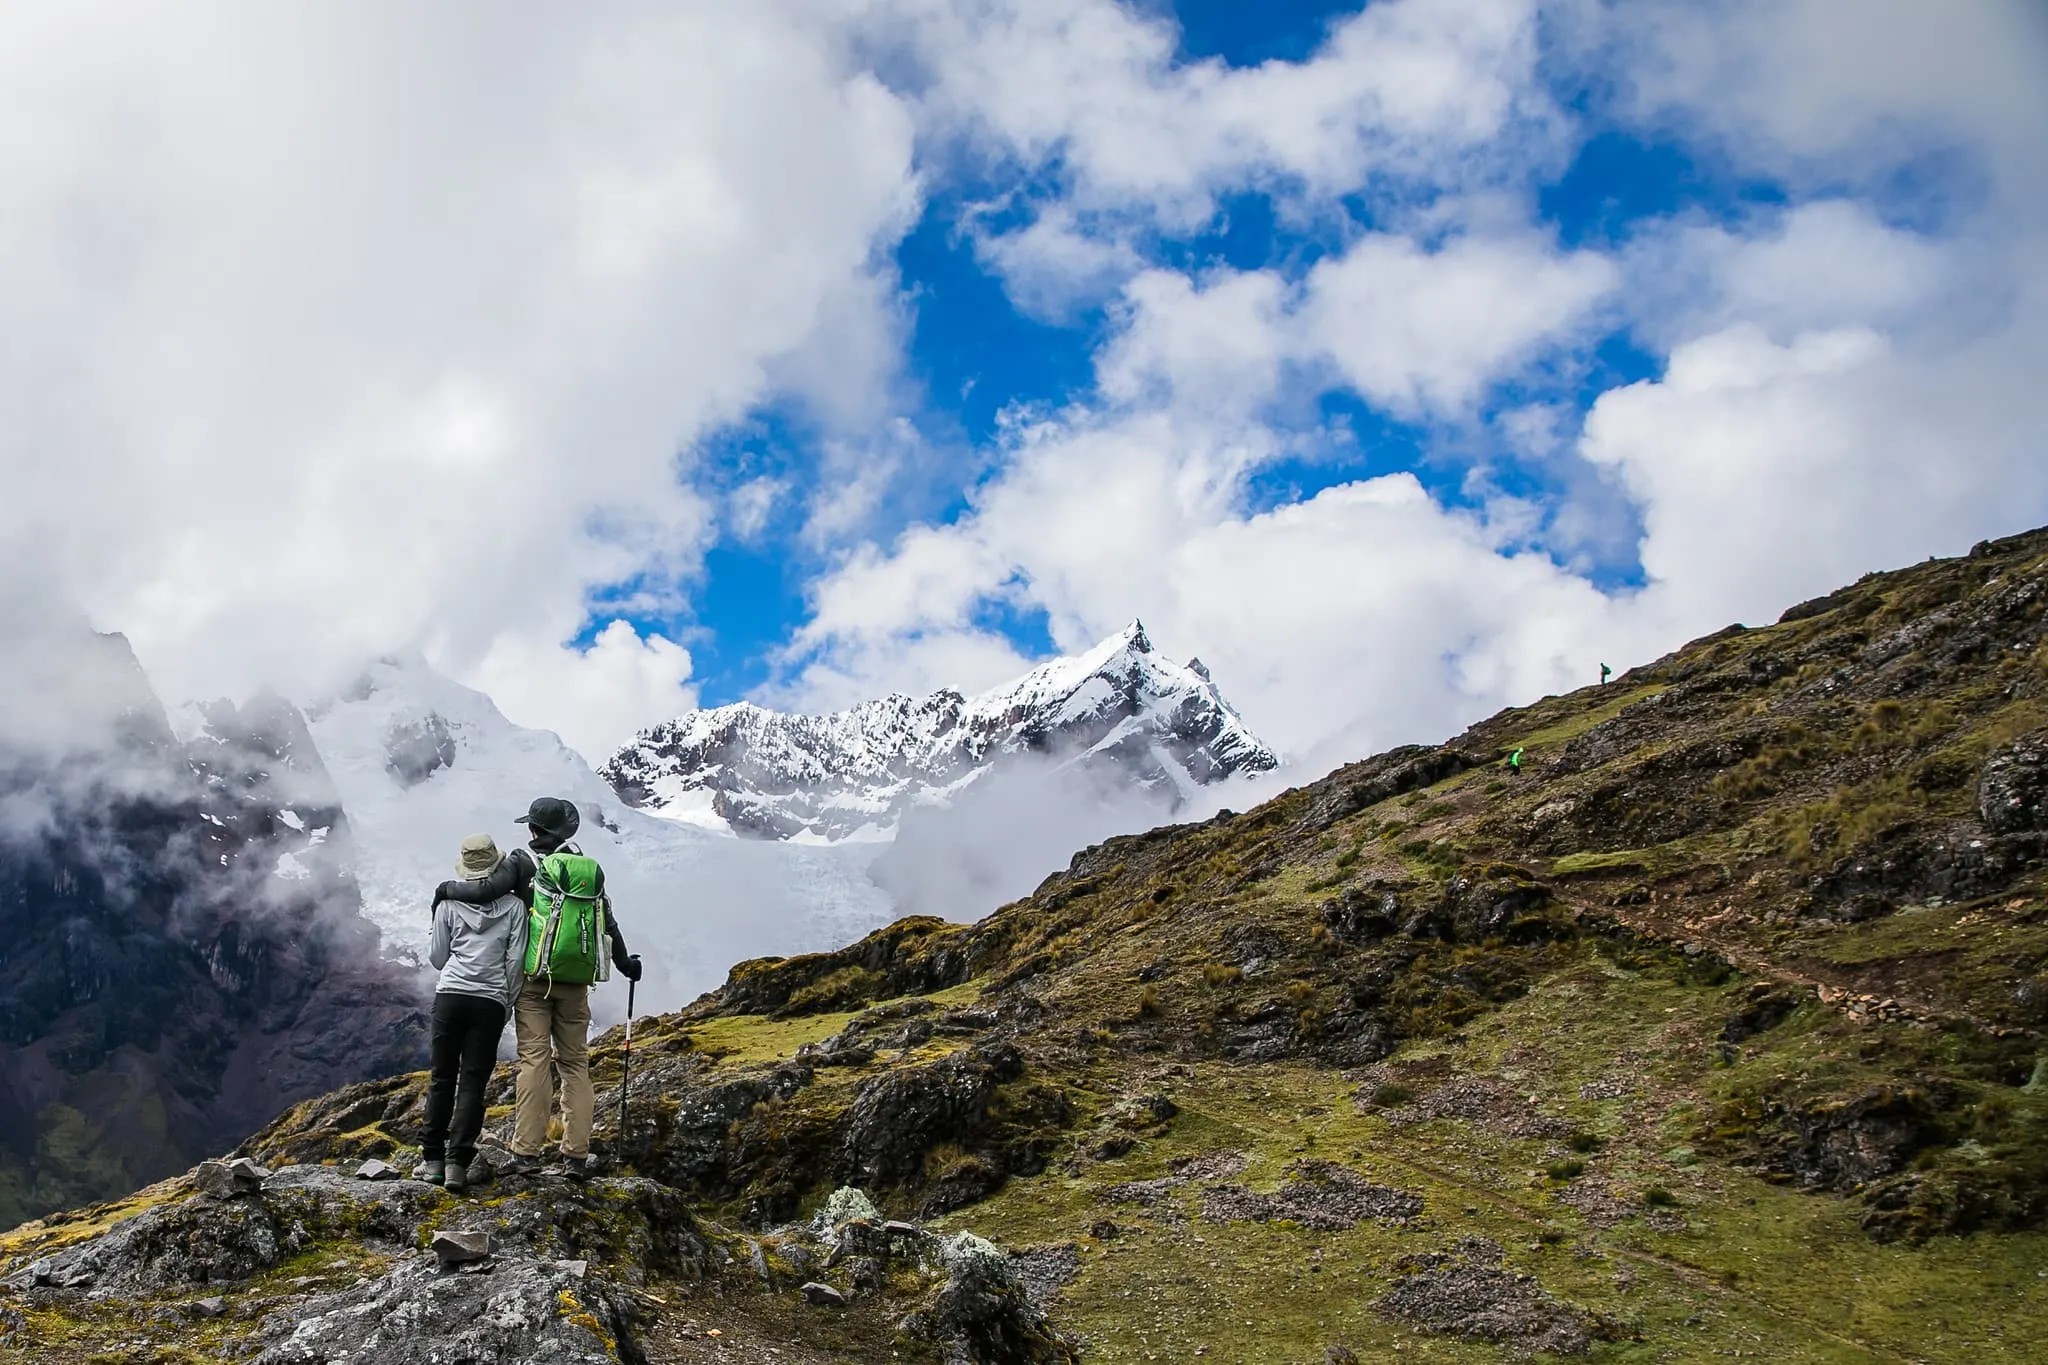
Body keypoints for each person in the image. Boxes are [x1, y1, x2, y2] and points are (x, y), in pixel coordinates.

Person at [435, 797, 640, 1178]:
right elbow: (607, 923)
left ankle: (526, 1153)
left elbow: (484, 892)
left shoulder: (522, 862)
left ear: (534, 830)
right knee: (576, 1063)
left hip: (534, 981)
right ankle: (576, 1156)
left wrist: (445, 891)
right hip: (576, 983)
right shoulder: (585, 870)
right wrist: (627, 965)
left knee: (535, 1060)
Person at [417, 833, 528, 1192]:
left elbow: (437, 958)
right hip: (490, 1000)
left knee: (442, 1077)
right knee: (473, 1082)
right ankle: (456, 1166)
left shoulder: (448, 904)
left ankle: (431, 1160)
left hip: (450, 994)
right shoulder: (514, 907)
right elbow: (515, 961)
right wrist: (506, 1001)